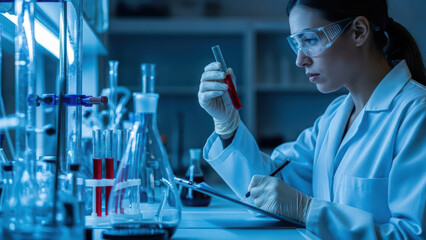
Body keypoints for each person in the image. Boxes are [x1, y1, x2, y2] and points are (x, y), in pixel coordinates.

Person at [197, 0, 426, 239]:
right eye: (296, 43)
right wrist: (227, 125)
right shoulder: (334, 117)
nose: (300, 60)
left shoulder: (416, 114)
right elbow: (269, 187)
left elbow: (411, 235)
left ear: (359, 31)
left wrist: (309, 211)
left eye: (310, 40)